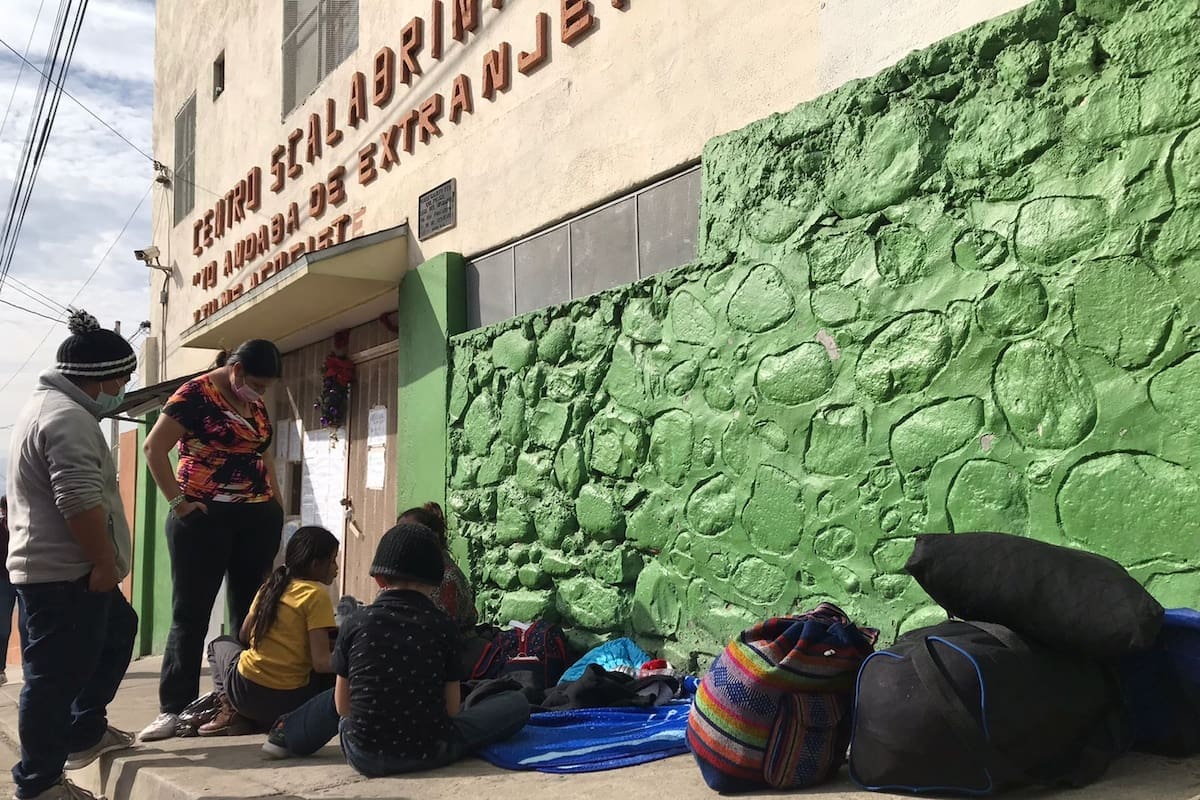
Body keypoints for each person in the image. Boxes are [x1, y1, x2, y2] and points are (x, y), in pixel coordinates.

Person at [258, 523, 530, 776]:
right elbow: (451, 710)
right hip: (431, 751)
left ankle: (287, 735)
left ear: (378, 579)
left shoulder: (355, 622)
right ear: (436, 582)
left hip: (362, 754)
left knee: (346, 690)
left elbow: (343, 707)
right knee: (515, 704)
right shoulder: (443, 626)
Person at [7, 310, 139, 800]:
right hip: (65, 576)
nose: (125, 387)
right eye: (123, 379)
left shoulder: (57, 409)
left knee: (117, 633)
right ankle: (38, 783)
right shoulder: (66, 418)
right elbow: (78, 500)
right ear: (99, 379)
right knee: (51, 681)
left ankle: (84, 733)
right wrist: (104, 564)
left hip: (66, 571)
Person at [138, 339, 285, 742]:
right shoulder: (195, 394)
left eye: (267, 386)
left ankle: (238, 703)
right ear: (235, 369)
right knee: (191, 614)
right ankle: (173, 708)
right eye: (257, 382)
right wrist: (179, 503)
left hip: (256, 515)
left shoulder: (252, 403)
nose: (261, 391)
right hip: (203, 516)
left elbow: (264, 454)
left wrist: (276, 502)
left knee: (249, 613)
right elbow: (154, 448)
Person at [198, 526, 339, 736]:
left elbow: (244, 635)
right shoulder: (316, 596)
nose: (336, 567)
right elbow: (321, 663)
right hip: (291, 703)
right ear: (315, 564)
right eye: (333, 560)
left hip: (245, 693)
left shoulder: (270, 587)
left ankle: (230, 708)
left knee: (218, 644)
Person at [396, 502, 477, 630]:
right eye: (399, 534)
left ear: (434, 536)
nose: (404, 539)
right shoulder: (407, 569)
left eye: (412, 533)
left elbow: (441, 629)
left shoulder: (445, 578)